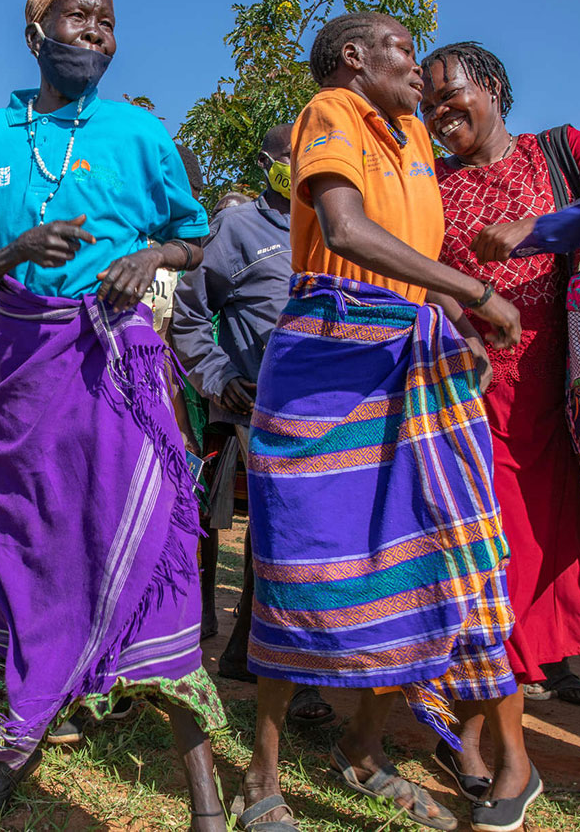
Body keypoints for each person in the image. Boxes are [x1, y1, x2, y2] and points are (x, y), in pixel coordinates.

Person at [0, 0, 227, 829]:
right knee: (31, 548)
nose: (96, 30)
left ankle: (205, 798)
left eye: (105, 19)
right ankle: (20, 739)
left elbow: (194, 237)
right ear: (37, 36)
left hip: (121, 367)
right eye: (78, 17)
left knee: (153, 546)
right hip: (27, 369)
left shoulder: (141, 134)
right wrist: (12, 248)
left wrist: (151, 259)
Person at [244, 12, 529, 832]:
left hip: (409, 354)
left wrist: (456, 320)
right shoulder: (331, 112)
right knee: (304, 563)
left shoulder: (411, 140)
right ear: (353, 58)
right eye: (404, 51)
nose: (419, 69)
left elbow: (409, 254)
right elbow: (345, 231)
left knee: (419, 552)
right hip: (332, 357)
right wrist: (475, 291)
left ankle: (362, 749)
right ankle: (260, 774)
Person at [419, 41, 580, 717]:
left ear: (494, 87)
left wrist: (543, 226)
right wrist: (464, 307)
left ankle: (503, 693)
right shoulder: (429, 180)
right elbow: (413, 268)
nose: (440, 111)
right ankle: (477, 689)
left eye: (452, 95)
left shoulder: (557, 150)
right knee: (479, 534)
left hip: (555, 384)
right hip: (466, 383)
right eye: (429, 103)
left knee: (535, 530)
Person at [171, 123, 334, 732]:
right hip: (259, 415)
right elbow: (188, 317)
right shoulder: (236, 232)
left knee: (288, 548)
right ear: (267, 163)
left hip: (333, 416)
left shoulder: (337, 227)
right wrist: (218, 375)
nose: (302, 167)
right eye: (289, 159)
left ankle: (246, 654)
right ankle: (295, 684)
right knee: (291, 545)